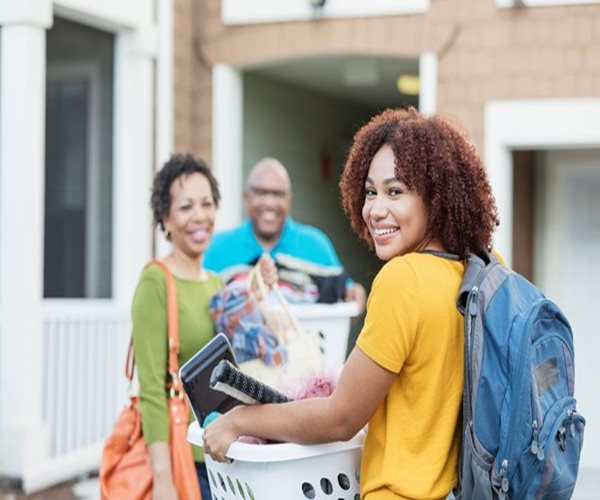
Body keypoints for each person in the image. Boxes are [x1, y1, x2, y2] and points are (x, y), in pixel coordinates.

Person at [203, 107, 499, 499]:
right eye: (370, 192)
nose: (375, 209)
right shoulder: (480, 269)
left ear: (436, 197)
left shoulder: (402, 280)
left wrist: (240, 419)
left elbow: (340, 417)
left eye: (395, 191)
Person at [203, 157, 367, 312]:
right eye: (260, 192)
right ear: (246, 197)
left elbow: (346, 298)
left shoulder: (316, 244)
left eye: (278, 194)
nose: (269, 203)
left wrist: (355, 294)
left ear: (289, 200)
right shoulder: (217, 247)